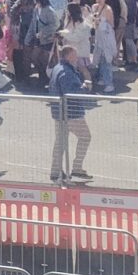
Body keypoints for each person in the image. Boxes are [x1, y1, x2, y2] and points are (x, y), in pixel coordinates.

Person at [49, 46, 92, 184]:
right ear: (68, 56)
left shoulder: (58, 68)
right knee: (85, 137)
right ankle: (77, 166)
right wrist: (85, 87)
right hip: (71, 113)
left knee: (60, 142)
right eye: (75, 55)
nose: (77, 57)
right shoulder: (67, 72)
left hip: (58, 112)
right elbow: (72, 93)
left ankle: (55, 171)